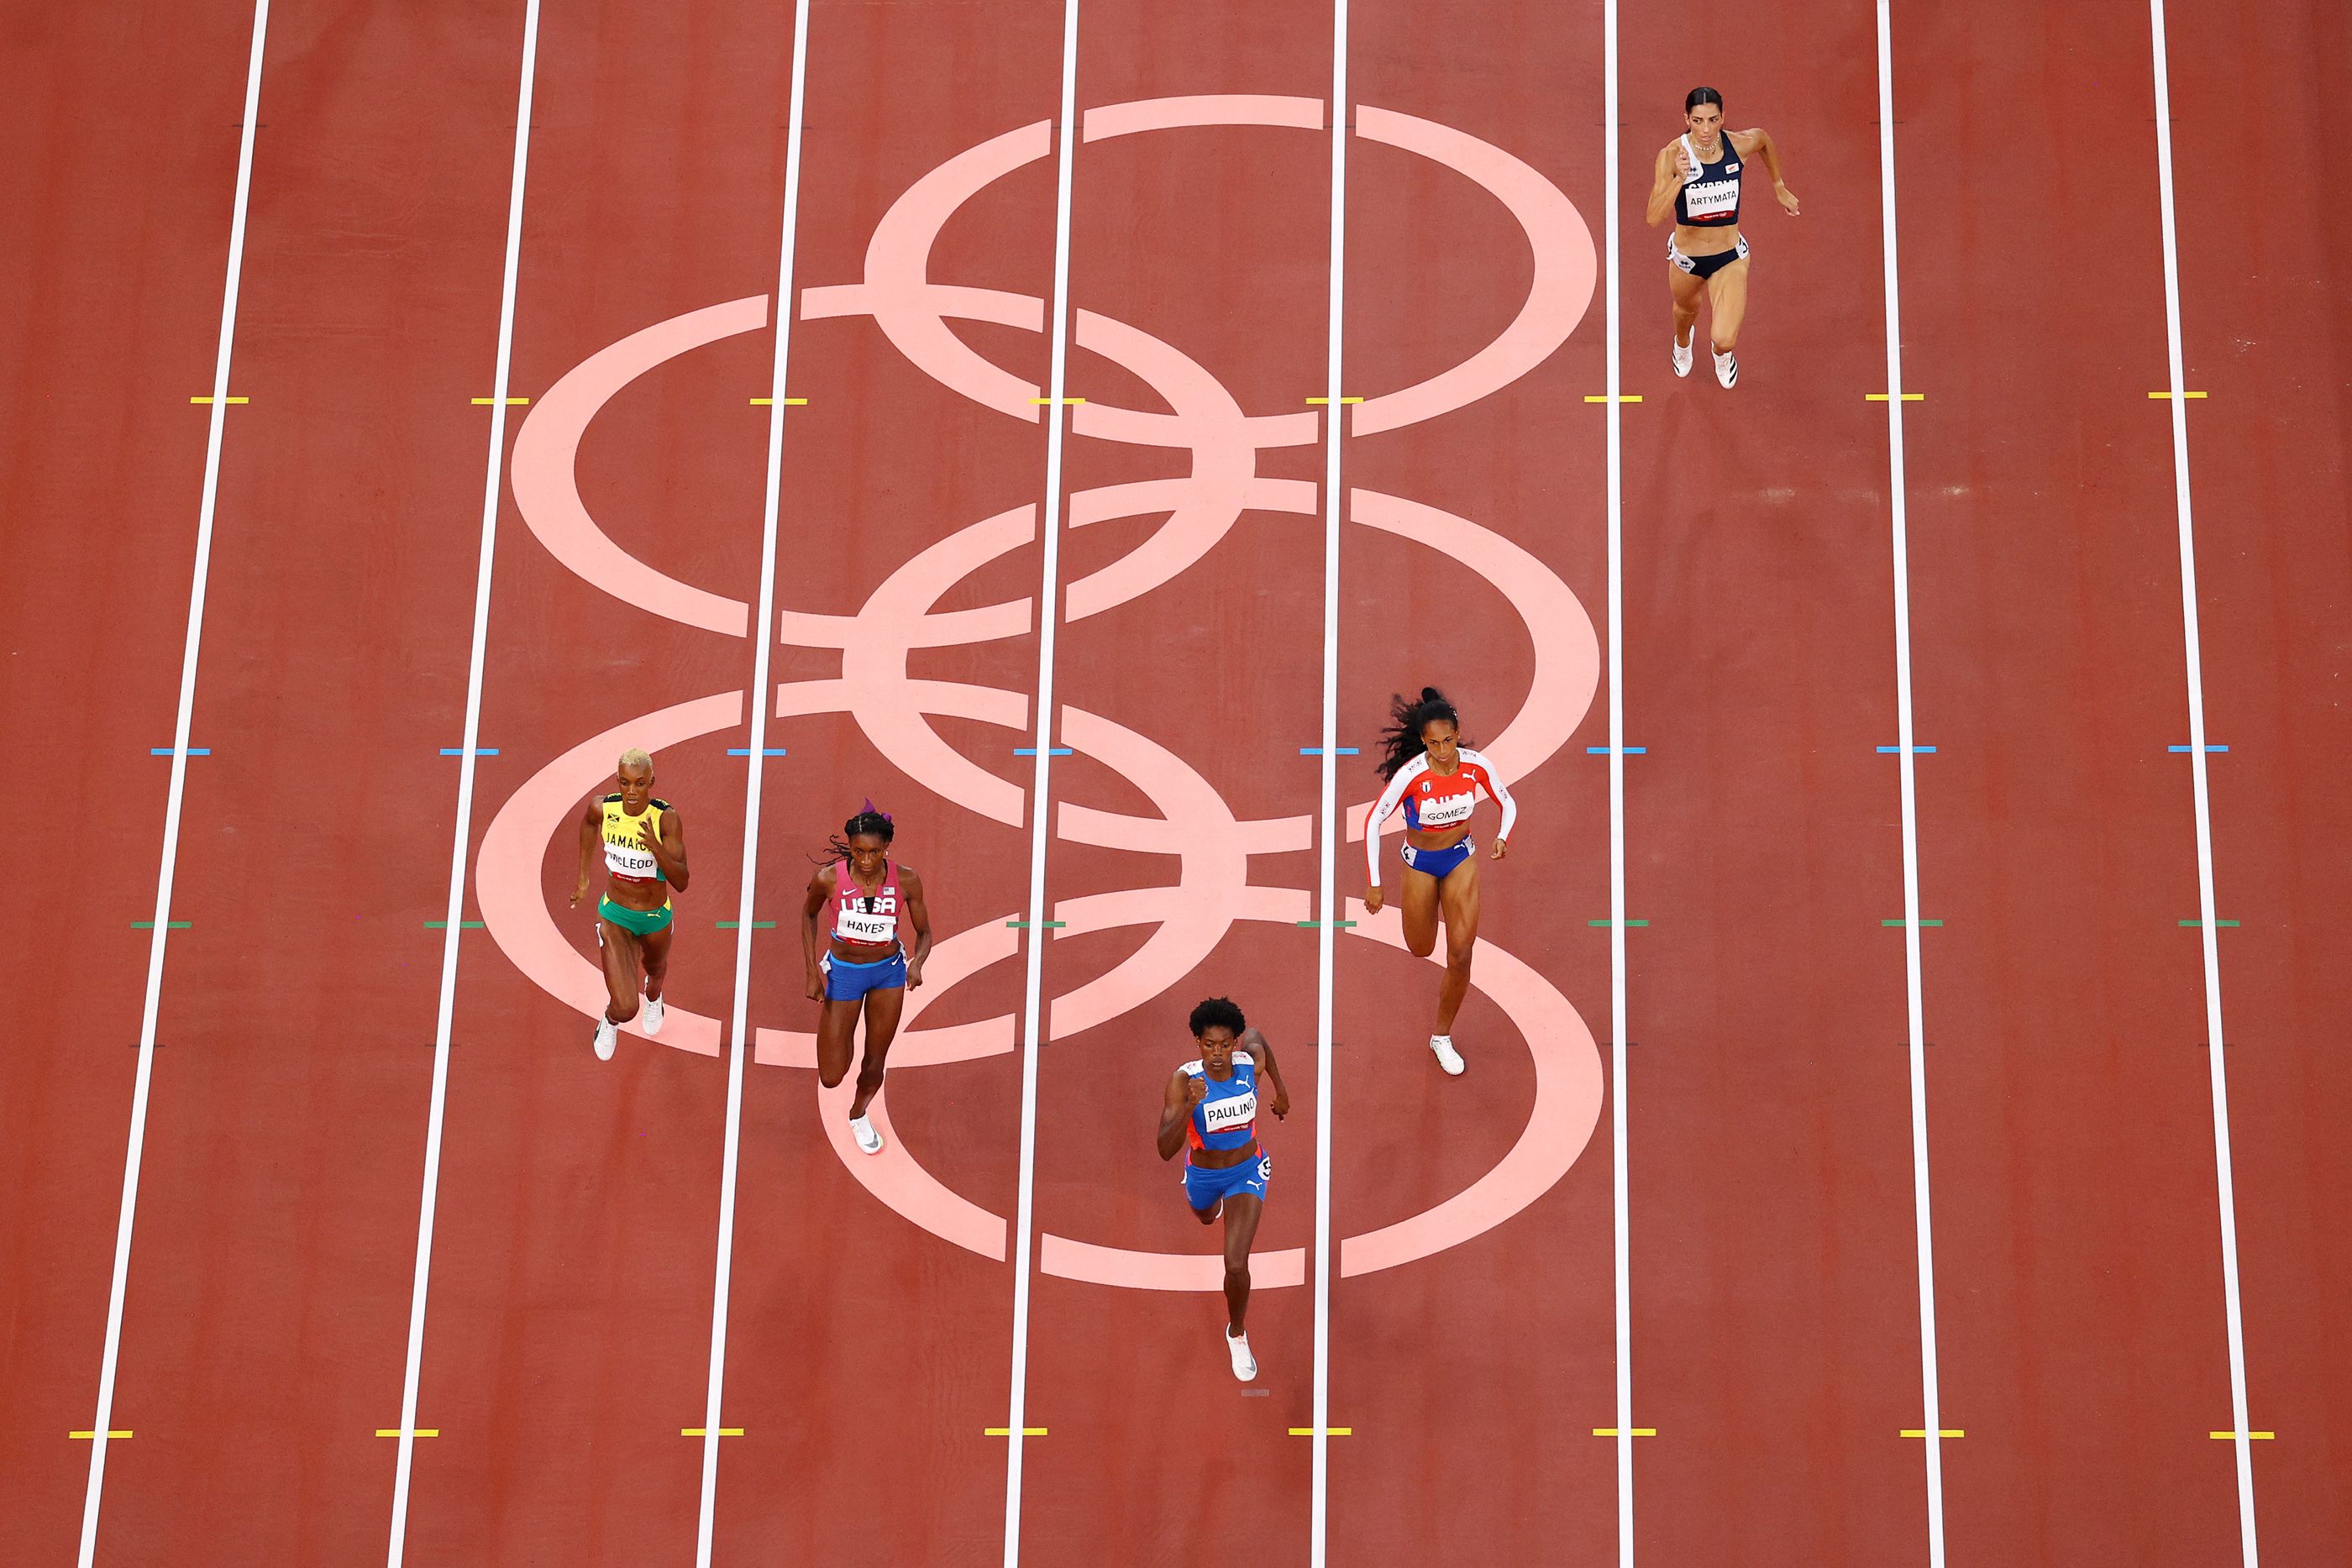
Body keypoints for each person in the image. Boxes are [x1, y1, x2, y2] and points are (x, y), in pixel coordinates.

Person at [1362, 687, 1515, 1077]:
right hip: (1420, 863)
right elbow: (1374, 822)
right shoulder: (1411, 776)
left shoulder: (1477, 765)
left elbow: (1506, 801)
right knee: (1421, 947)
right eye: (1434, 743)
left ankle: (1442, 1037)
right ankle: (1424, 929)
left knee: (1461, 955)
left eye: (1449, 740)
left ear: (1457, 732)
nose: (1444, 750)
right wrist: (1375, 882)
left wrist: (1502, 835)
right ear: (1423, 741)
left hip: (1460, 857)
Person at [1156, 997, 1290, 1382]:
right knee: (1202, 1216)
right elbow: (1165, 1150)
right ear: (1197, 1042)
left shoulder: (1248, 1065)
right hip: (1203, 1175)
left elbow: (1260, 1039)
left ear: (1234, 1043)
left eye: (1225, 1044)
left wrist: (1281, 1092)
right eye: (1209, 1045)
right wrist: (1187, 1108)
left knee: (1235, 1263)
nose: (1217, 1054)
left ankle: (1237, 1332)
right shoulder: (1184, 1081)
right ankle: (1209, 1209)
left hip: (1248, 1171)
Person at [1644, 86, 1799, 389]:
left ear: (1723, 118)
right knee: (1686, 311)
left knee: (1725, 338)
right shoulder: (1671, 155)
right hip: (1687, 258)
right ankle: (1682, 343)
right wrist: (1679, 178)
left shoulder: (1738, 145)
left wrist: (1778, 185)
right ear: (1686, 119)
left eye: (1713, 120)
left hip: (1729, 256)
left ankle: (1721, 356)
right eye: (1698, 121)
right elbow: (1653, 217)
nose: (1706, 129)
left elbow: (1763, 139)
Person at [801, 804, 932, 1154]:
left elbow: (925, 933)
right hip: (844, 975)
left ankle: (858, 1114)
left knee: (875, 1060)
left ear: (886, 848)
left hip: (887, 974)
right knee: (831, 1076)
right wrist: (813, 971)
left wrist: (917, 963)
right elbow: (808, 915)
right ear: (850, 847)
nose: (866, 860)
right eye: (859, 851)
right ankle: (844, 1035)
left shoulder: (906, 879)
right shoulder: (828, 879)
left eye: (875, 852)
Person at [570, 747, 690, 1061]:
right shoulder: (603, 808)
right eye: (625, 783)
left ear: (651, 781)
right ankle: (609, 1021)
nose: (632, 792)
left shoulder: (666, 818)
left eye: (639, 783)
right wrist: (583, 878)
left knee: (656, 970)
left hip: (655, 917)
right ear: (618, 781)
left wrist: (655, 846)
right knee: (625, 1006)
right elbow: (588, 825)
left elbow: (682, 880)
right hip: (616, 915)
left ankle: (655, 996)